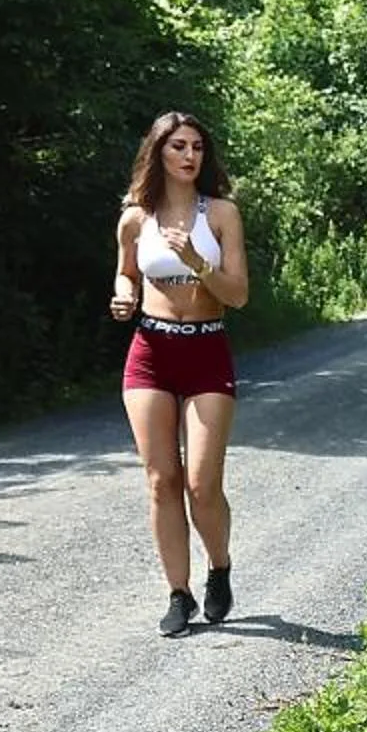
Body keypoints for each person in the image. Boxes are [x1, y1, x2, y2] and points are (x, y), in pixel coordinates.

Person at [110, 111, 249, 636]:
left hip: (207, 350)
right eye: (178, 147)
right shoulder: (134, 218)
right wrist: (124, 297)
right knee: (161, 480)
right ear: (158, 153)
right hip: (150, 351)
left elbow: (237, 295)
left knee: (201, 483)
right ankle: (178, 594)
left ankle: (219, 568)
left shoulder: (221, 215)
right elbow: (125, 275)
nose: (190, 156)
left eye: (197, 148)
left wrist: (195, 259)